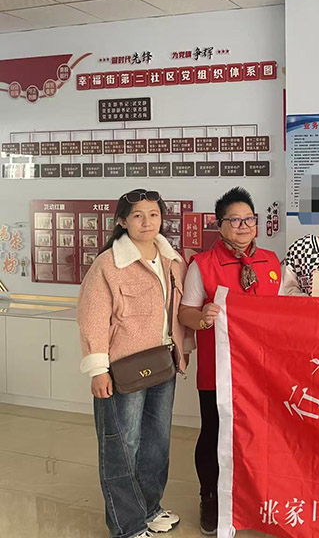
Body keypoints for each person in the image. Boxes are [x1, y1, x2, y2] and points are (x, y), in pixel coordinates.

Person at [78, 189, 189, 538]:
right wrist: (98, 369)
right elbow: (93, 318)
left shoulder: (173, 260)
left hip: (163, 364)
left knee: (156, 443)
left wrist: (183, 350)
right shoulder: (108, 264)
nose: (147, 222)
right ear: (123, 221)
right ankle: (127, 525)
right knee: (122, 446)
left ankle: (150, 509)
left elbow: (176, 314)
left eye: (153, 215)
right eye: (138, 215)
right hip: (121, 370)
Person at [177, 187, 281, 535]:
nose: (243, 226)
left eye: (249, 219)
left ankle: (255, 495)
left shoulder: (271, 262)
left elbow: (287, 309)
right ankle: (210, 496)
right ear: (219, 225)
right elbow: (186, 312)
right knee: (214, 432)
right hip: (218, 369)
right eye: (234, 220)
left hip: (262, 369)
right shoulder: (203, 265)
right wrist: (202, 316)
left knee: (259, 433)